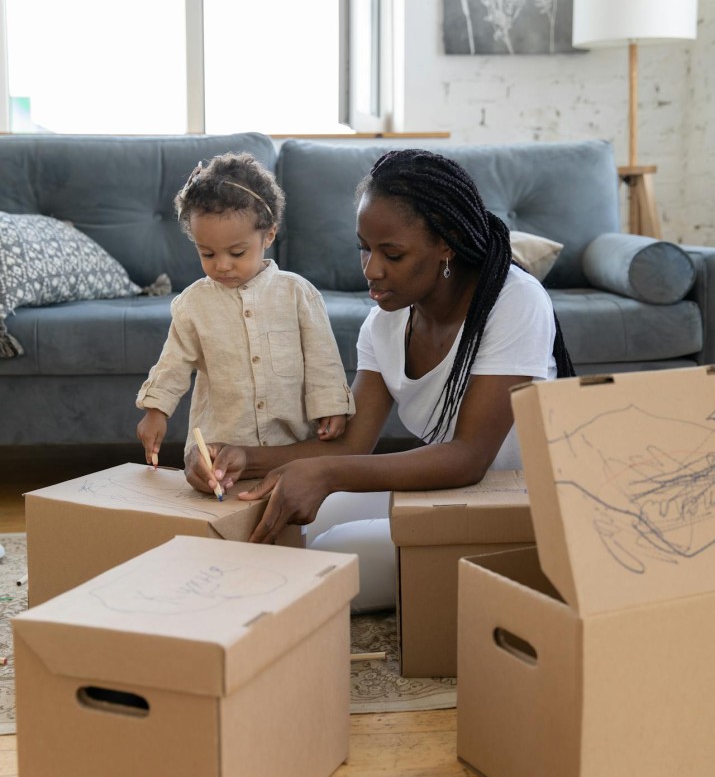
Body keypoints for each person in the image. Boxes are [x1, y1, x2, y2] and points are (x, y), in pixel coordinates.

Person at [184, 148, 575, 609]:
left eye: (392, 253)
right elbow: (350, 448)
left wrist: (323, 474)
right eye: (364, 249)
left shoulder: (515, 302)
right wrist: (239, 458)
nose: (371, 270)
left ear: (446, 244)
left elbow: (469, 457)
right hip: (451, 495)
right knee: (287, 519)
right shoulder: (384, 324)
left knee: (312, 558)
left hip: (518, 505)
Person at [136, 152, 355, 464]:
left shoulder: (298, 294)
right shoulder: (193, 304)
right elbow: (173, 364)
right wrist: (155, 411)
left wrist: (332, 405)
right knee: (208, 489)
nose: (222, 265)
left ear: (268, 235)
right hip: (218, 445)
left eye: (237, 252)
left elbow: (323, 360)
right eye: (207, 254)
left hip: (289, 448)